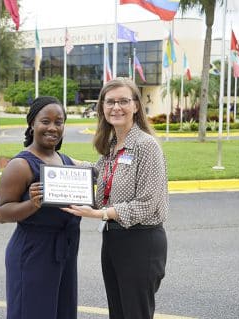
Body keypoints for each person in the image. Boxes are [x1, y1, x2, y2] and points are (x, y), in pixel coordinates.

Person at [62, 77, 168, 319]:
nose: (116, 107)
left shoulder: (146, 145)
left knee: (135, 314)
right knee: (118, 313)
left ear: (136, 106)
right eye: (110, 102)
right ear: (102, 107)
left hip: (141, 242)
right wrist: (58, 160)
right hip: (113, 240)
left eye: (123, 101)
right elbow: (98, 171)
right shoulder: (114, 144)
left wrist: (100, 214)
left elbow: (146, 203)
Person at [0, 96, 81, 319]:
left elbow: (95, 177)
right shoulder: (21, 165)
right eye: (45, 121)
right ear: (32, 124)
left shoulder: (67, 162)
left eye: (59, 122)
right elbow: (1, 213)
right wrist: (31, 205)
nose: (52, 127)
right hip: (33, 253)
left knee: (62, 313)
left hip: (65, 252)